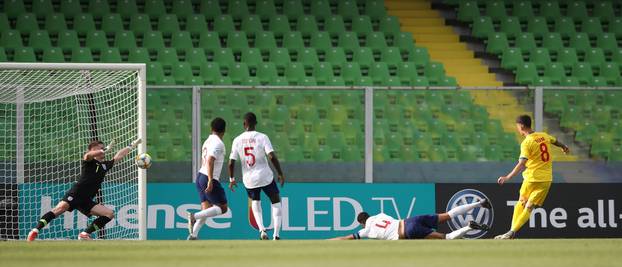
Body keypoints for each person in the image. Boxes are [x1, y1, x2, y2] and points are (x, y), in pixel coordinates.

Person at [27, 138, 142, 241]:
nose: (103, 150)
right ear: (93, 149)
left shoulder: (104, 165)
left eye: (103, 148)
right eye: (100, 148)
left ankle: (84, 234)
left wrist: (131, 146)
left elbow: (118, 156)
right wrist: (103, 150)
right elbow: (88, 155)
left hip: (87, 200)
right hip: (77, 193)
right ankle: (35, 231)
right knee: (59, 209)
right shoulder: (89, 161)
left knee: (109, 214)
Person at [495, 115, 570, 239]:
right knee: (529, 207)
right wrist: (564, 147)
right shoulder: (544, 136)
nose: (517, 129)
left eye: (517, 126)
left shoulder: (527, 142)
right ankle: (511, 233)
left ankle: (511, 232)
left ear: (522, 126)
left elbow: (522, 163)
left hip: (531, 179)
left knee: (521, 203)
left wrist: (508, 177)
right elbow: (555, 141)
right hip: (546, 180)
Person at [228, 112, 285, 240]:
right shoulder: (262, 137)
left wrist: (231, 179)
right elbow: (271, 156)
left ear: (244, 124)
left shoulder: (237, 140)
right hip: (264, 175)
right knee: (275, 201)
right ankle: (276, 234)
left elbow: (231, 162)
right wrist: (280, 173)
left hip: (249, 178)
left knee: (255, 201)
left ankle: (262, 230)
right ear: (256, 124)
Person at [329, 199, 491, 240]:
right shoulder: (380, 215)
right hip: (410, 220)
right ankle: (480, 203)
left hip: (408, 231)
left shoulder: (367, 230)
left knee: (445, 238)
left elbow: (347, 237)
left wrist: (329, 241)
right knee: (448, 214)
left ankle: (469, 226)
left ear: (361, 223)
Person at [187, 118, 228, 240]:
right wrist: (210, 179)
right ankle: (194, 217)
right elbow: (210, 160)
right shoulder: (218, 143)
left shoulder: (208, 141)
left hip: (200, 176)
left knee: (206, 209)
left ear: (211, 129)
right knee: (223, 208)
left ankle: (193, 235)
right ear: (224, 130)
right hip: (208, 178)